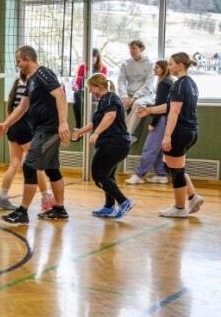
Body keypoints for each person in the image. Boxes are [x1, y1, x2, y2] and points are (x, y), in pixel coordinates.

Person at [0, 45, 70, 224]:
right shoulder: (30, 80)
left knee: (29, 166)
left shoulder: (43, 74)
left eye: (18, 61)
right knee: (51, 169)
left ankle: (22, 212)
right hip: (41, 130)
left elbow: (60, 95)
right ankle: (59, 209)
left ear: (27, 59)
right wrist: (6, 123)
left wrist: (63, 123)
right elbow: (23, 106)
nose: (17, 64)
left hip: (49, 130)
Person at [137, 52, 202, 218]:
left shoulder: (178, 84)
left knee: (176, 171)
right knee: (174, 167)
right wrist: (150, 110)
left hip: (179, 132)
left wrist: (166, 136)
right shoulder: (190, 83)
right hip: (191, 132)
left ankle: (180, 208)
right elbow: (170, 106)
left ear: (180, 65)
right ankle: (193, 197)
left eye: (171, 63)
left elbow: (174, 111)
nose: (169, 67)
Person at [72, 74, 133, 218]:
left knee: (98, 175)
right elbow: (97, 122)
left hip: (115, 143)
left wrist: (96, 133)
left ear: (98, 86)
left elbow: (110, 116)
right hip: (115, 144)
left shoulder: (110, 98)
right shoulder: (104, 100)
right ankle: (109, 207)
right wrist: (81, 131)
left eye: (90, 88)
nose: (90, 92)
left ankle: (124, 202)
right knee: (107, 176)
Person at [0, 72, 54, 212]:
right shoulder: (30, 87)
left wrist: (7, 125)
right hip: (24, 128)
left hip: (12, 127)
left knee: (15, 163)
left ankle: (2, 197)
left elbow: (10, 110)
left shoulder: (17, 85)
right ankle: (46, 198)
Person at [126, 59, 172, 185]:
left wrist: (153, 123)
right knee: (158, 149)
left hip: (162, 119)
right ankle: (162, 174)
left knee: (150, 147)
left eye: (157, 67)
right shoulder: (168, 82)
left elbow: (161, 105)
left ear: (164, 69)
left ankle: (139, 175)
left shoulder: (163, 84)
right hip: (167, 119)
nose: (154, 69)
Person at [117, 39, 154, 142]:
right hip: (128, 94)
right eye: (130, 49)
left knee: (138, 104)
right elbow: (121, 81)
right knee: (120, 105)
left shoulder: (150, 64)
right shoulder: (126, 64)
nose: (131, 51)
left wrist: (134, 98)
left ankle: (126, 133)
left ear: (141, 49)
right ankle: (123, 132)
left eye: (134, 48)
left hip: (145, 95)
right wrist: (124, 96)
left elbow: (148, 85)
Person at [72, 48, 108, 129]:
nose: (90, 61)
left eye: (93, 59)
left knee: (77, 104)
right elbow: (78, 82)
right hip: (84, 92)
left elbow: (103, 85)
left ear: (97, 58)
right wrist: (75, 86)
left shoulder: (103, 68)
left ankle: (82, 124)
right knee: (76, 95)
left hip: (96, 93)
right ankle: (81, 123)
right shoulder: (82, 67)